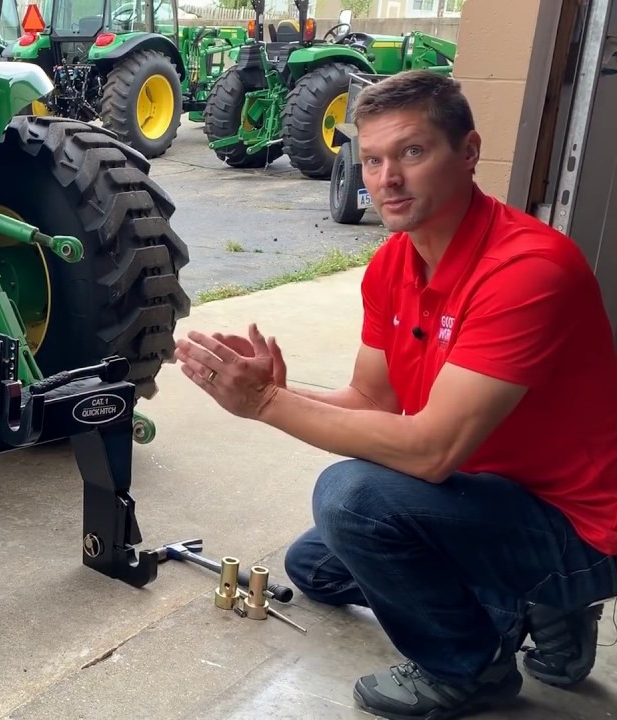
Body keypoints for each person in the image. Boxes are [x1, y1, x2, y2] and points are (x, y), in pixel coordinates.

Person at [174, 69, 617, 720]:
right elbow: (370, 401)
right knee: (316, 566)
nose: (387, 178)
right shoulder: (394, 263)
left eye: (412, 152)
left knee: (350, 499)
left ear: (467, 153)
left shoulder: (528, 271)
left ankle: (472, 666)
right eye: (373, 158)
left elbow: (430, 452)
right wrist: (277, 389)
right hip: (482, 491)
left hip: (576, 524)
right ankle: (519, 600)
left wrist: (265, 406)